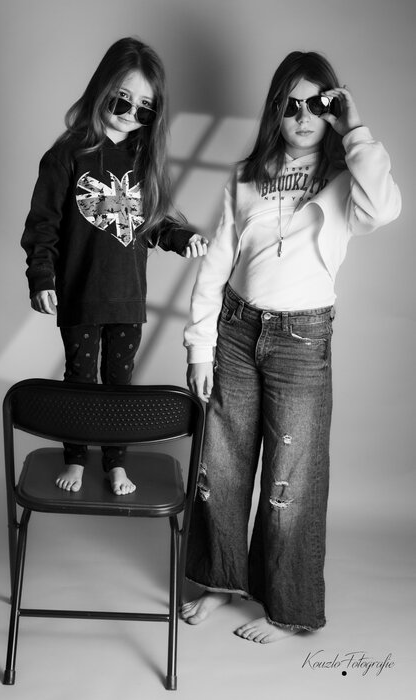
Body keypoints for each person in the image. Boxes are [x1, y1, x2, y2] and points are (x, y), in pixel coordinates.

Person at [180, 51, 401, 643]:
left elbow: (387, 208)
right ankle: (221, 580)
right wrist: (199, 345)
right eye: (291, 105)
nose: (303, 117)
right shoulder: (246, 176)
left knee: (292, 478)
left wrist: (354, 127)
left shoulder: (347, 177)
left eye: (316, 105)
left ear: (331, 110)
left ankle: (287, 607)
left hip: (301, 339)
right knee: (222, 464)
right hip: (235, 330)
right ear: (275, 110)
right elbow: (218, 261)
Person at [21, 37, 208, 496]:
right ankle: (75, 458)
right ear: (102, 88)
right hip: (81, 294)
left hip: (128, 298)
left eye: (144, 107)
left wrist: (184, 238)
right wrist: (41, 277)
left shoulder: (145, 162)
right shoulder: (67, 155)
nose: (129, 112)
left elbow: (155, 222)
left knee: (120, 385)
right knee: (81, 380)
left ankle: (116, 463)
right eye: (122, 98)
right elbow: (43, 224)